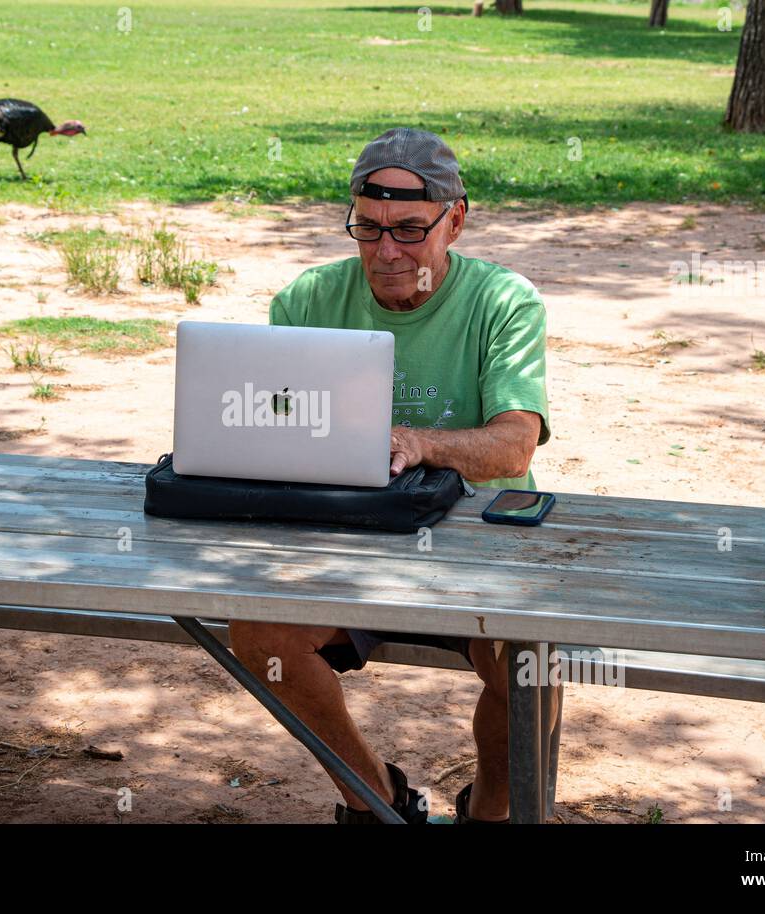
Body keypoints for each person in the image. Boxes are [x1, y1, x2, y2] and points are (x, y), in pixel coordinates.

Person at [228, 127, 557, 824]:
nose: (385, 253)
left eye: (409, 230)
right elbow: (272, 433)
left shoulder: (503, 301)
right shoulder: (307, 301)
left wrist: (418, 442)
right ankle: (377, 800)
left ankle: (492, 811)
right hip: (343, 546)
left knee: (529, 664)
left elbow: (514, 446)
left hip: (474, 549)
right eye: (367, 229)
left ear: (456, 221)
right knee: (261, 635)